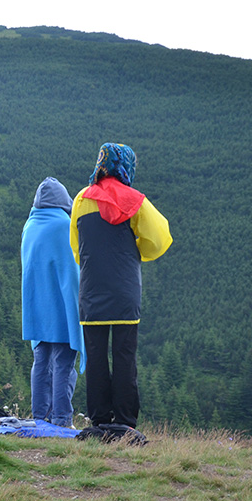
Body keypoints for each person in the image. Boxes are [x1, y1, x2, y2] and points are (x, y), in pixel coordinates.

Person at [70, 143, 172, 432]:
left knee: (96, 355)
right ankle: (126, 422)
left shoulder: (80, 199)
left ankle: (100, 419)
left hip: (91, 290)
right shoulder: (135, 200)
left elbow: (77, 248)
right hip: (125, 289)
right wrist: (135, 251)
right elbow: (160, 237)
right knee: (125, 356)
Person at [21, 177, 85, 428]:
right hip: (61, 307)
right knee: (63, 362)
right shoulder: (63, 226)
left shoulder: (30, 226)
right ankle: (61, 419)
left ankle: (39, 417)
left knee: (41, 361)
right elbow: (72, 272)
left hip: (36, 307)